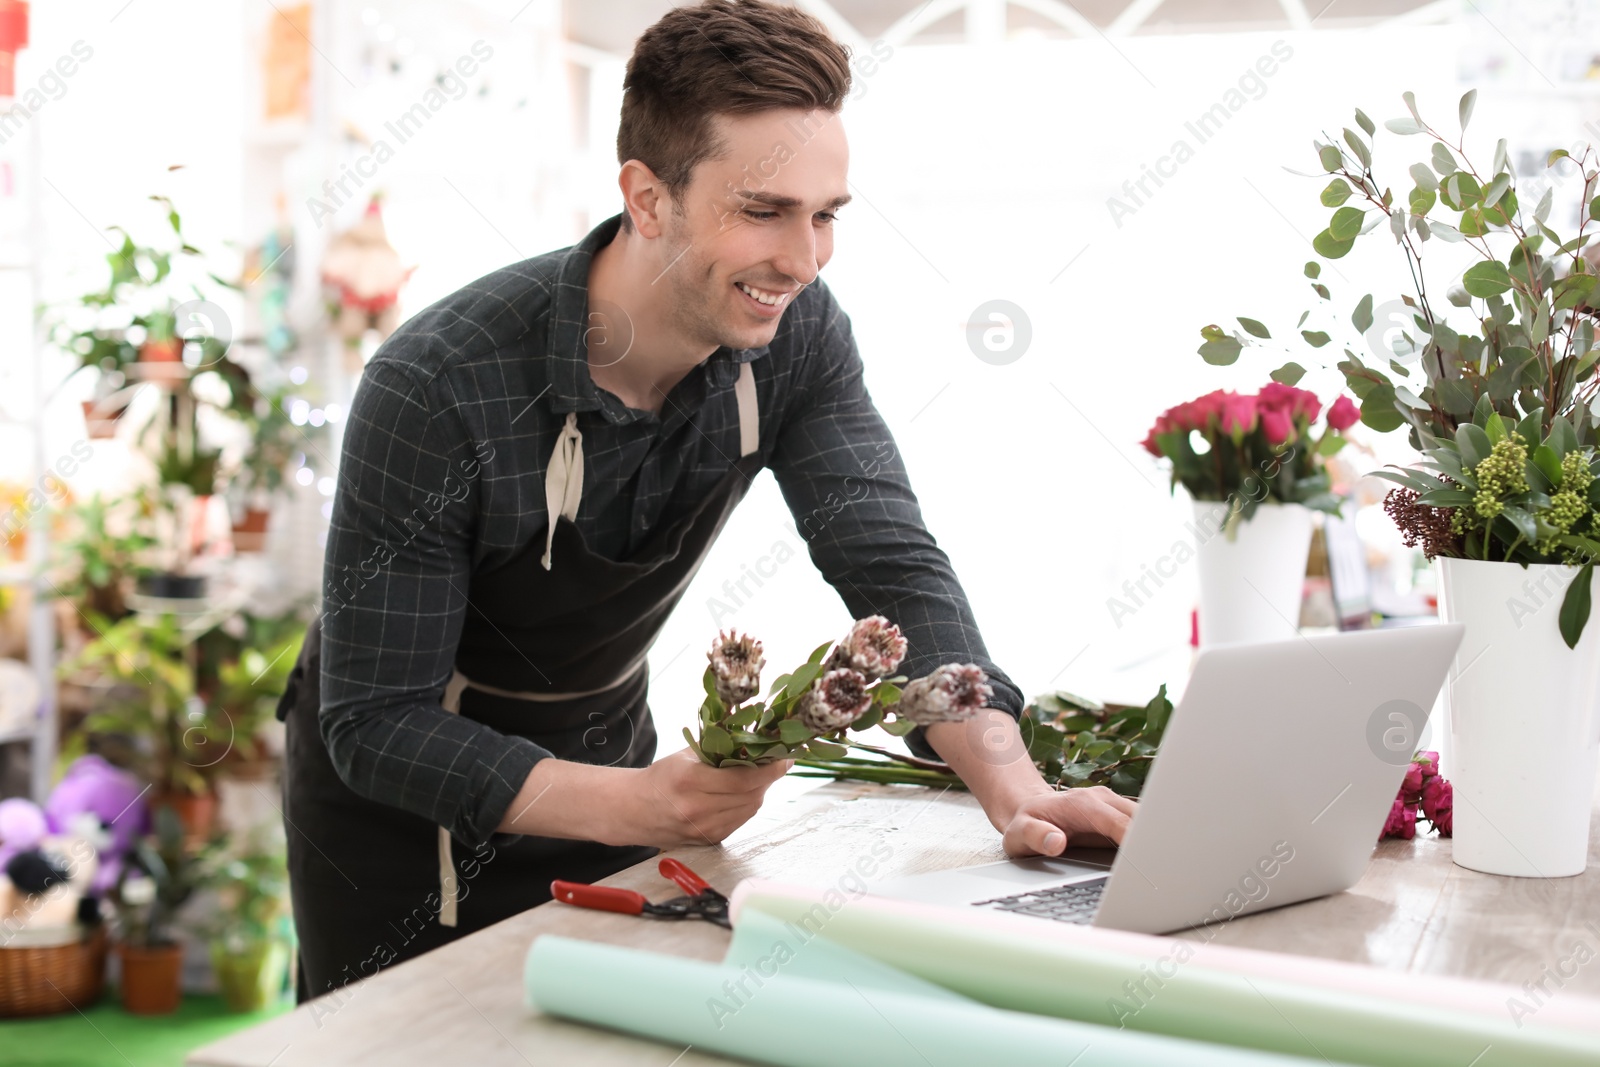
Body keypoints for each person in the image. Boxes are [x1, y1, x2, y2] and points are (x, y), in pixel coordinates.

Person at [276, 0, 1136, 1004]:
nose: (803, 260)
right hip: (400, 819)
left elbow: (891, 565)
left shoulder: (799, 338)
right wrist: (641, 803)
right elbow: (375, 719)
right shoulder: (439, 385)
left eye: (825, 215)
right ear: (648, 198)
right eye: (763, 211)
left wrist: (1015, 786)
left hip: (614, 764)